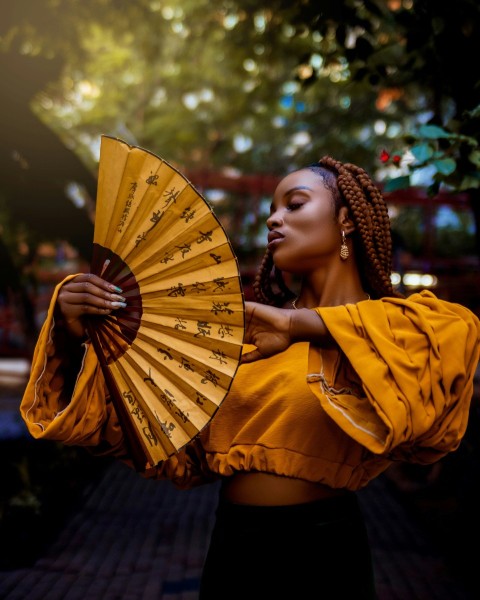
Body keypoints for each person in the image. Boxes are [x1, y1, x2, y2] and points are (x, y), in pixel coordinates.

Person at [20, 156, 480, 599]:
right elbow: (158, 444)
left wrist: (301, 326)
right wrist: (73, 335)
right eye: (271, 209)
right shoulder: (251, 335)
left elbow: (453, 337)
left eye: (294, 204)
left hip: (325, 555)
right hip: (233, 548)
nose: (273, 220)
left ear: (347, 219)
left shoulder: (392, 330)